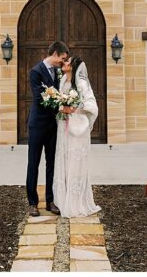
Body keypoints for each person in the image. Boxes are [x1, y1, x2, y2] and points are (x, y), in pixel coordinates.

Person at [54, 56, 102, 217]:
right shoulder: (62, 82)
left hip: (78, 130)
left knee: (75, 163)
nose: (64, 63)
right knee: (65, 160)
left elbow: (91, 106)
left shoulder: (81, 83)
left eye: (67, 62)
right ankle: (63, 200)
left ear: (73, 66)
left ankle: (76, 202)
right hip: (63, 127)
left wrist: (73, 109)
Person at [26, 41, 69, 217]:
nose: (63, 62)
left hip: (52, 126)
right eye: (63, 58)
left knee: (51, 164)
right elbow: (40, 98)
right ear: (56, 54)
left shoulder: (58, 72)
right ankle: (33, 203)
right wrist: (61, 104)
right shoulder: (36, 71)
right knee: (33, 164)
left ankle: (50, 201)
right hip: (37, 125)